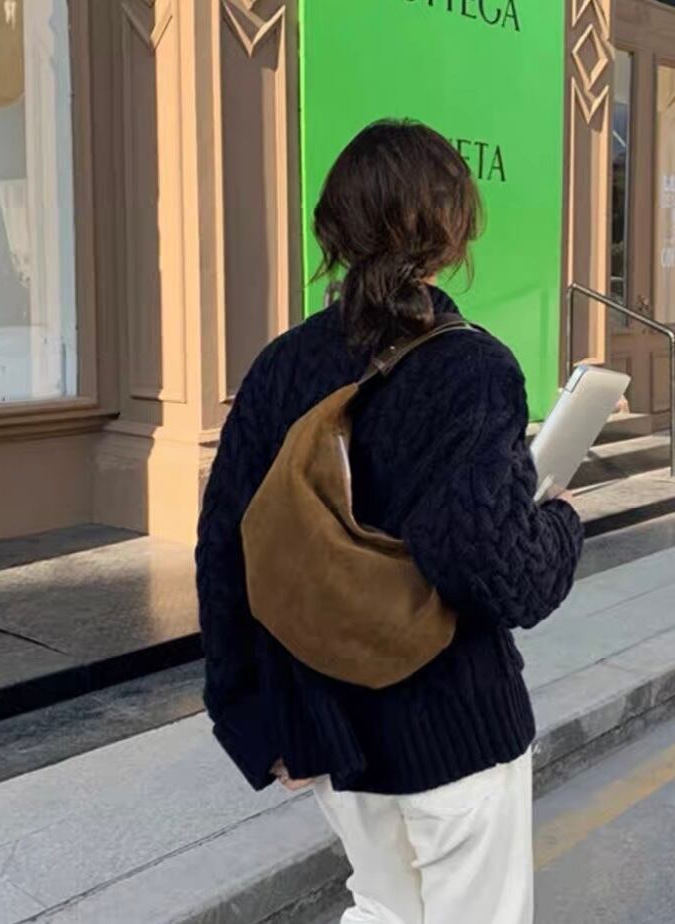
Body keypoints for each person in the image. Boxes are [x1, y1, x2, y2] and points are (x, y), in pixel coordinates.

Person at [195, 119, 584, 924]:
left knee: (381, 907)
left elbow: (226, 547)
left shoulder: (282, 367)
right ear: (450, 232)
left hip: (331, 726)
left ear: (335, 231)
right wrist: (561, 524)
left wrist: (251, 716)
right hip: (454, 724)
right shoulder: (471, 366)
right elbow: (491, 566)